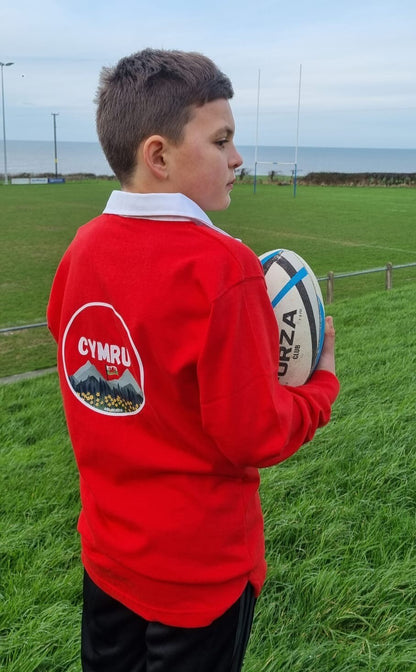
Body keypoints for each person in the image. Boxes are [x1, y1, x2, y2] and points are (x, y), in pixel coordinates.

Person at [47, 48, 339, 672]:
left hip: (108, 554)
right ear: (158, 155)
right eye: (222, 140)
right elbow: (252, 433)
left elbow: (77, 360)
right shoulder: (223, 268)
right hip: (199, 578)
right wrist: (320, 386)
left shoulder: (83, 248)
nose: (238, 159)